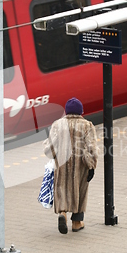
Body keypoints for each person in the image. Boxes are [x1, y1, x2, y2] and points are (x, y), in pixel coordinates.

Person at [43, 97, 98, 234]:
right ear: (81, 112)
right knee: (80, 190)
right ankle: (76, 222)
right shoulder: (87, 125)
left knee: (62, 188)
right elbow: (92, 149)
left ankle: (63, 212)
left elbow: (48, 148)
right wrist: (92, 166)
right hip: (81, 165)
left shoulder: (57, 124)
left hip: (61, 164)